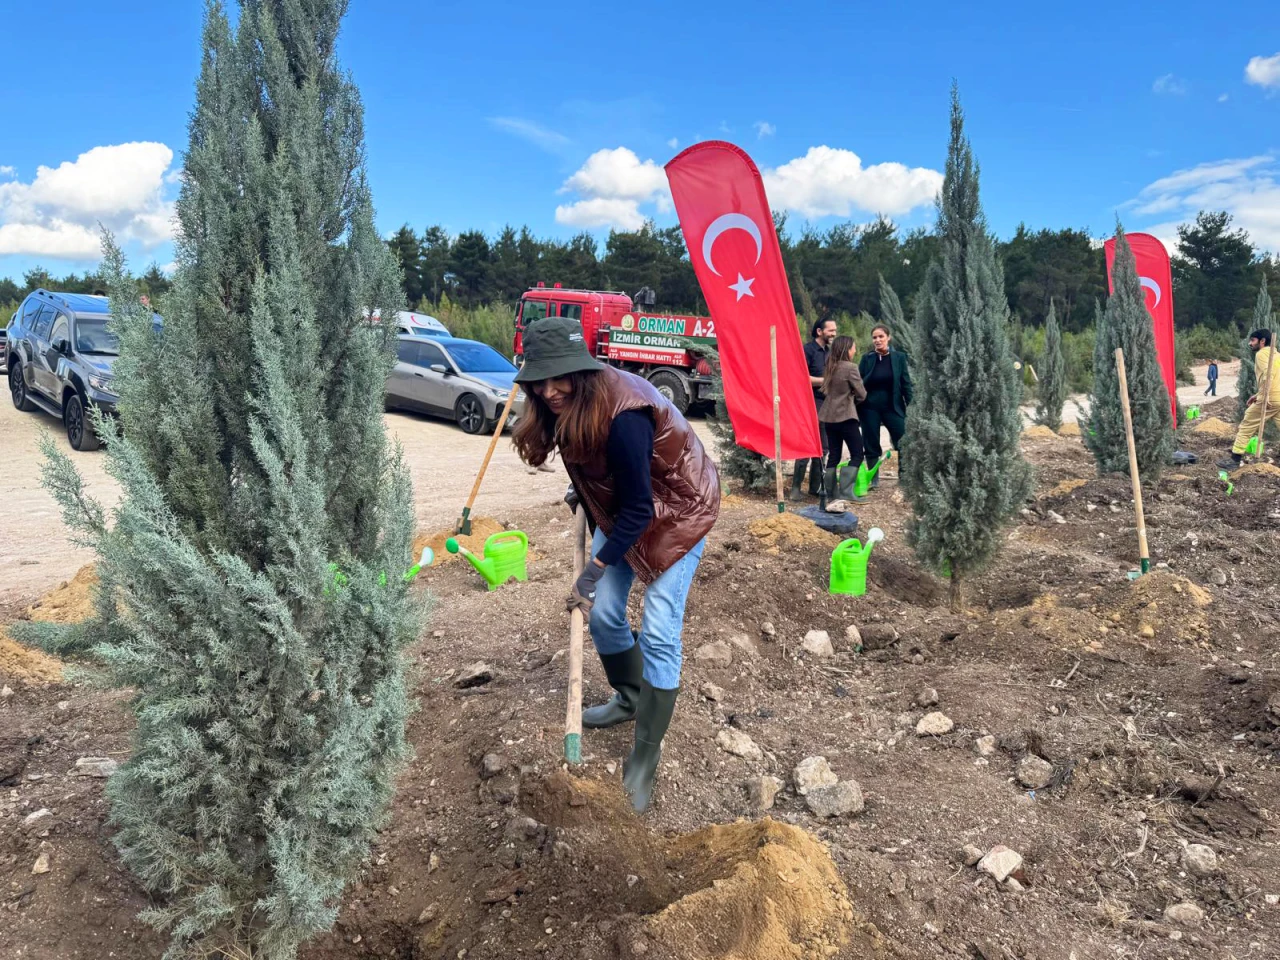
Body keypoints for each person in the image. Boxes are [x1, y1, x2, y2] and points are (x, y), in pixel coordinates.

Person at [512, 316, 720, 812]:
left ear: (580, 370)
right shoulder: (566, 403)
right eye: (539, 381)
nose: (549, 390)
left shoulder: (626, 410)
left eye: (558, 377)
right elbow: (603, 467)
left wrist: (594, 566)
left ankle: (646, 754)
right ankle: (629, 697)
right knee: (604, 612)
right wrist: (581, 490)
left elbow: (641, 510)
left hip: (678, 511)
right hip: (630, 506)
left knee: (660, 628)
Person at [858, 324, 913, 485]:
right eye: (874, 337)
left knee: (903, 441)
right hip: (869, 408)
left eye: (881, 336)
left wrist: (912, 406)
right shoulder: (866, 358)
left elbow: (906, 384)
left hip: (893, 407)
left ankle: (904, 479)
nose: (877, 340)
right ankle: (873, 479)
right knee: (871, 442)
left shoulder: (899, 358)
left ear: (888, 337)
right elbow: (858, 382)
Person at [1219, 329, 1280, 470]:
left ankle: (1234, 460)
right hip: (1278, 397)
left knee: (1246, 425)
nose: (1250, 343)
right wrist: (1257, 394)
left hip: (1269, 399)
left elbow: (1267, 376)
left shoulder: (1261, 354)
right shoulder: (1276, 355)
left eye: (1253, 340)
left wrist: (1263, 396)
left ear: (1262, 341)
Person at [791, 318, 837, 500]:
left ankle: (814, 488)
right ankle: (795, 490)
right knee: (806, 445)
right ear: (819, 331)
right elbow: (801, 377)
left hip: (826, 404)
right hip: (808, 403)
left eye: (835, 330)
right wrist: (825, 381)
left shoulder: (830, 352)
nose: (834, 333)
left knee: (824, 447)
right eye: (831, 330)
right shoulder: (807, 350)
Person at [818, 335, 867, 502]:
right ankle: (847, 491)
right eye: (853, 347)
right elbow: (862, 394)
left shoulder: (830, 366)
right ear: (847, 349)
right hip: (846, 416)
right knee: (857, 454)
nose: (855, 350)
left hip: (828, 416)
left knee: (834, 455)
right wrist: (853, 398)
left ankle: (831, 494)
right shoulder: (851, 367)